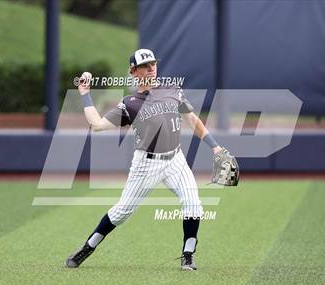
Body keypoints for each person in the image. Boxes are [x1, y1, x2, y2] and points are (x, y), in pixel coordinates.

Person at [66, 49, 222, 271]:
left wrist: (215, 146)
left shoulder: (172, 90)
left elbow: (193, 120)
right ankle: (88, 247)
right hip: (146, 164)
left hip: (175, 159)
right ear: (133, 71)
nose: (152, 68)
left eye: (153, 63)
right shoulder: (130, 103)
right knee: (122, 212)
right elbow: (97, 125)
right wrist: (84, 93)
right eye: (145, 65)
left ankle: (188, 255)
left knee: (193, 204)